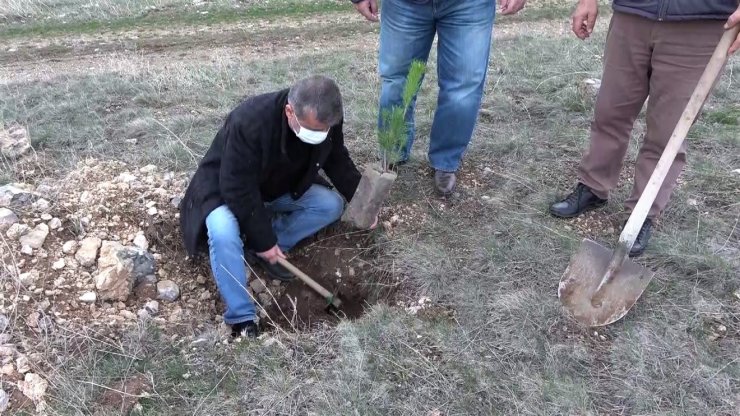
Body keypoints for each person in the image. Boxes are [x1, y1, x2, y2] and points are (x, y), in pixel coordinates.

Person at [179, 76, 370, 338]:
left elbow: (336, 158)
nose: (316, 137)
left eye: (322, 132)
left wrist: (362, 202)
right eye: (310, 130)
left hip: (278, 187)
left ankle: (269, 249)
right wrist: (263, 238)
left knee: (329, 204)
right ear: (290, 111)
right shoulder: (249, 121)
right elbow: (238, 189)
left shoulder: (328, 117)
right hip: (226, 190)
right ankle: (243, 317)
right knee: (223, 232)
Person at [550, 0, 740, 256]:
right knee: (610, 112)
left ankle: (642, 213)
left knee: (668, 132)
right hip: (633, 13)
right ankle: (593, 187)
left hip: (699, 25)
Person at [351, 0, 528, 195]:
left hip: (470, 5)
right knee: (397, 84)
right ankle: (393, 151)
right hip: (403, 4)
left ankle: (445, 161)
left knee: (463, 89)